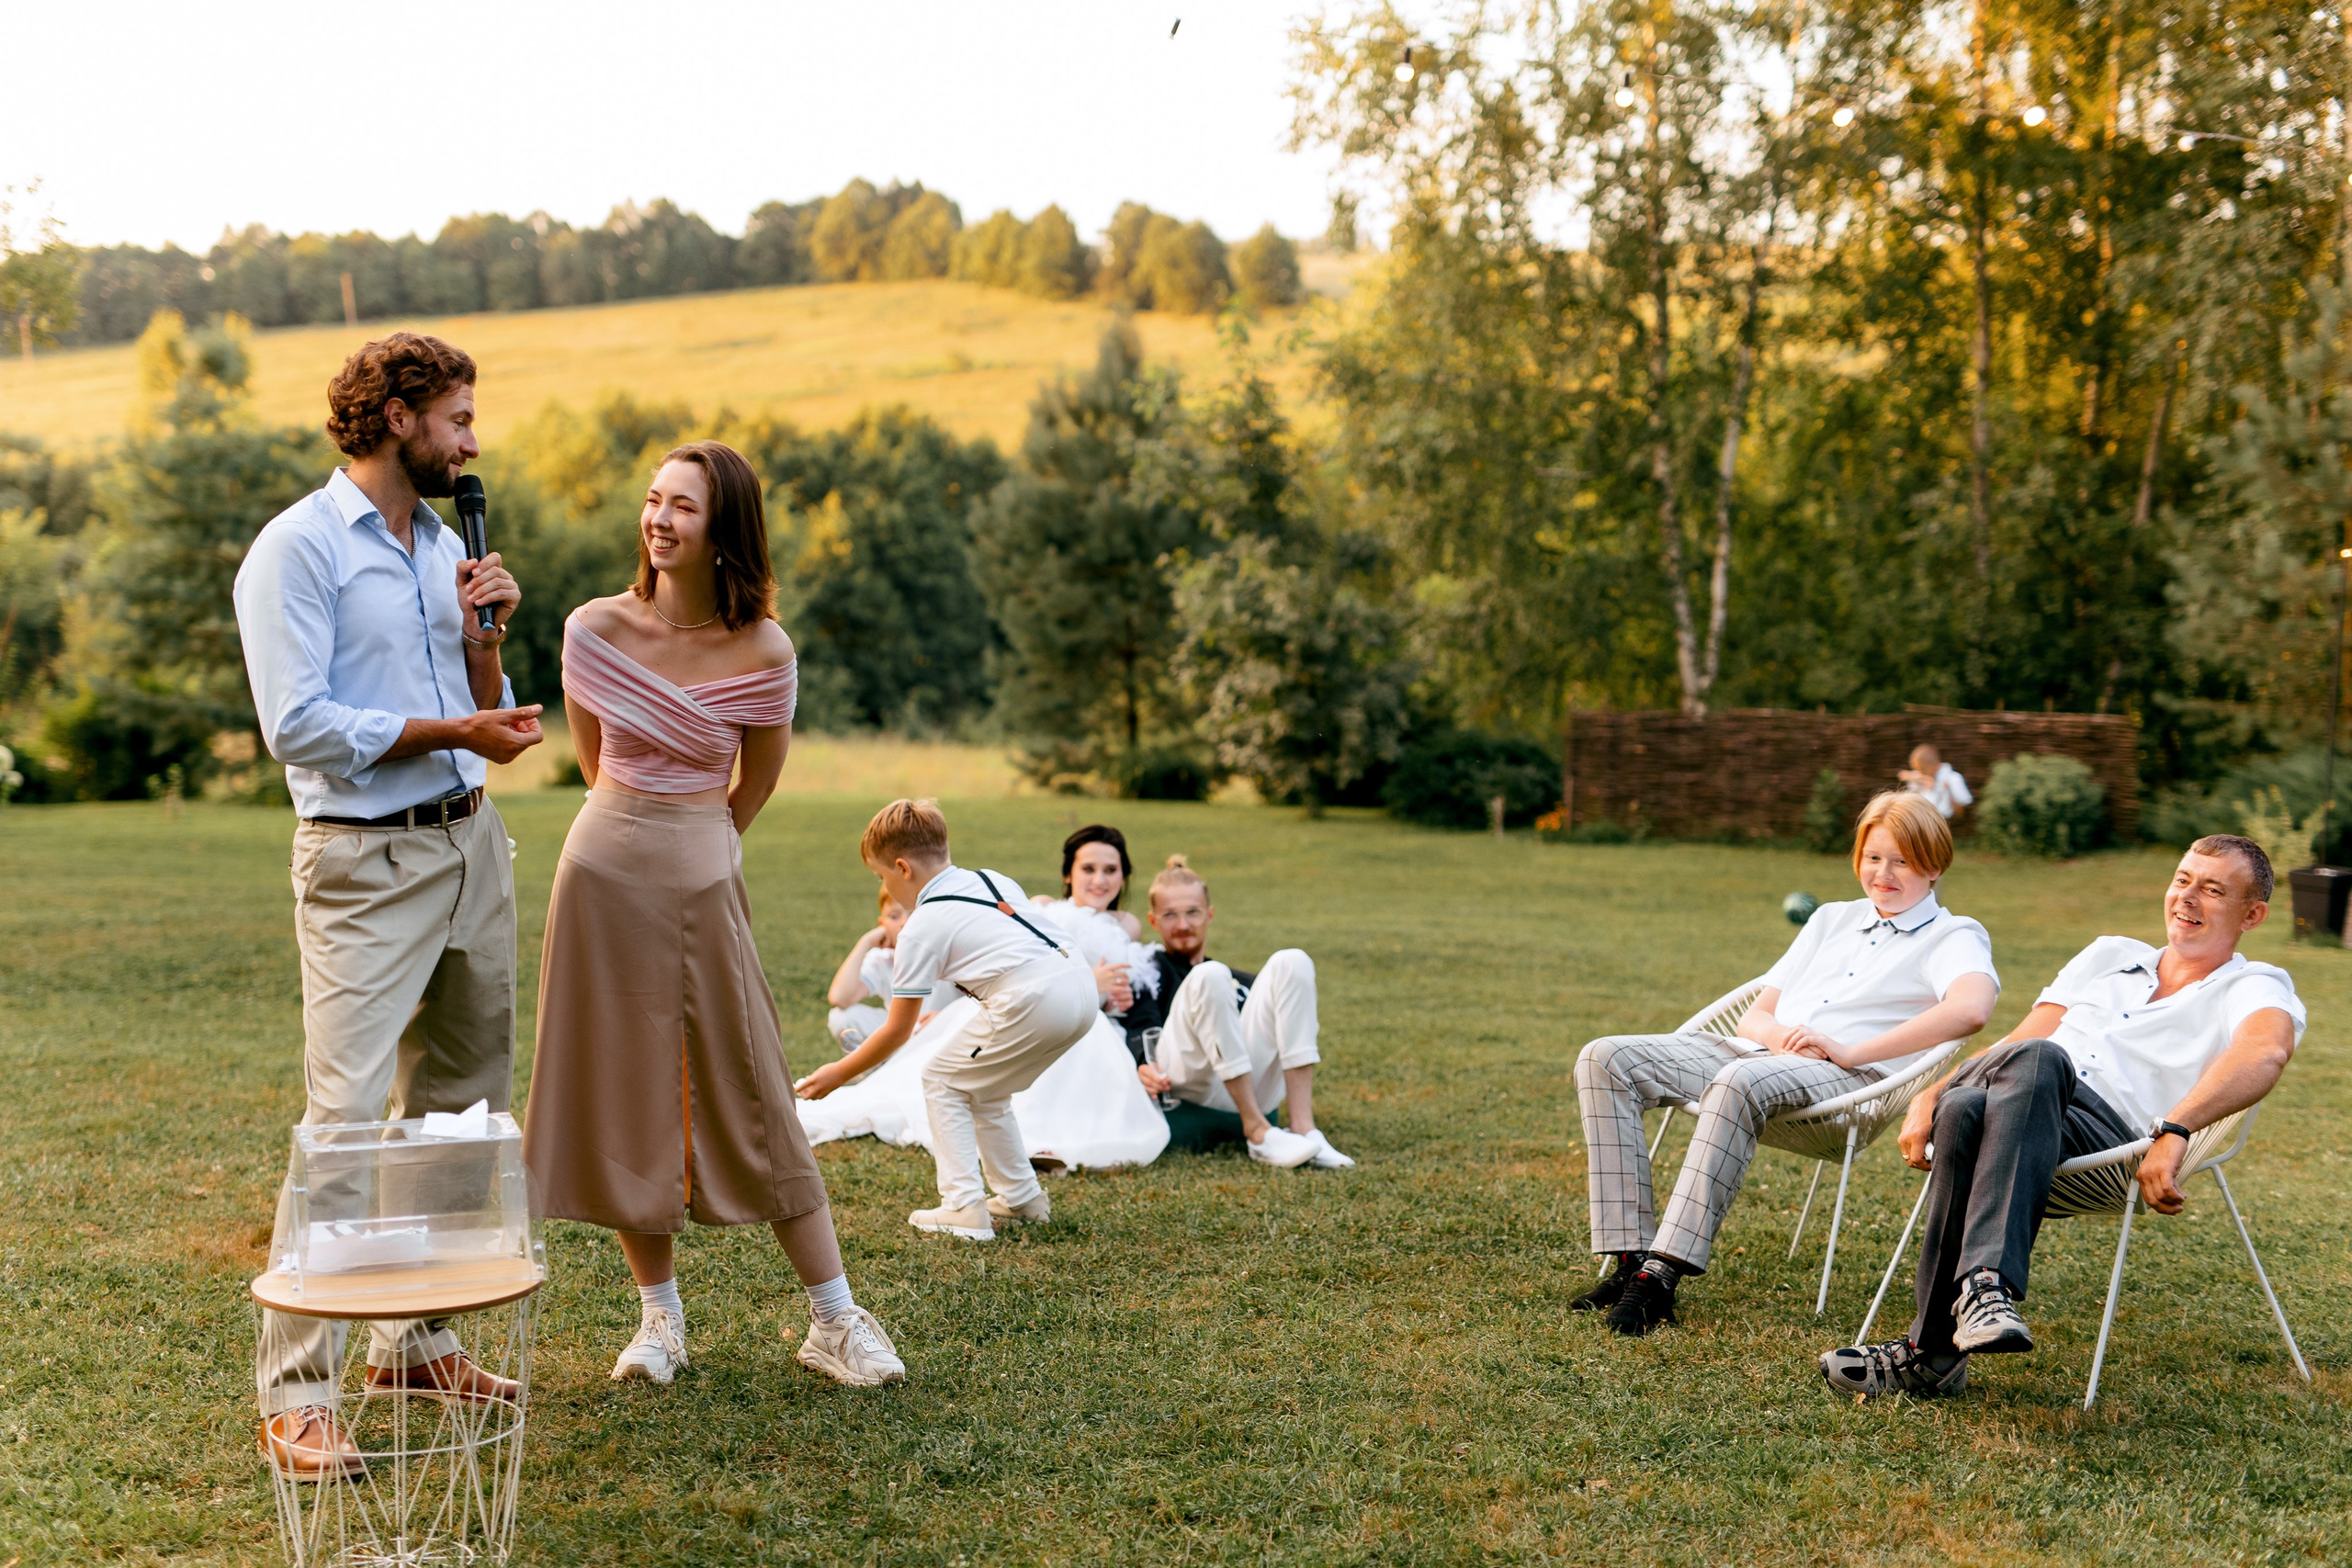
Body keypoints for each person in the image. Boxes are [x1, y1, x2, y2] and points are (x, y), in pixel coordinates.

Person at [522, 440, 902, 1391]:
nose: (658, 519)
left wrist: (696, 847)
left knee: (754, 1089)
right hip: (599, 881)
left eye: (681, 506)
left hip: (703, 878)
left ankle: (834, 1319)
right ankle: (660, 1322)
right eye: (652, 500)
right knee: (624, 1092)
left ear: (722, 525)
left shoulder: (764, 647)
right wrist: (643, 835)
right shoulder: (592, 629)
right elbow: (594, 762)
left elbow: (754, 780)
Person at [233, 333, 546, 1480]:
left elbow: (488, 710)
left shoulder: (441, 545)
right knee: (349, 1121)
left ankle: (417, 1344)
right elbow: (300, 726)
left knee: (458, 1109)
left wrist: (484, 647)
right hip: (363, 867)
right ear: (398, 415)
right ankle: (298, 1391)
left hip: (471, 847)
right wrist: (452, 732)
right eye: (458, 418)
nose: (472, 440)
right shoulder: (297, 550)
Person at [1819, 834, 2303, 1398]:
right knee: (1967, 1103)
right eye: (2181, 880)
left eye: (2212, 889)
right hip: (2016, 1103)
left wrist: (2175, 1128)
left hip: (2108, 1139)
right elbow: (2022, 1039)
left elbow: (2263, 1052)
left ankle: (1947, 1328)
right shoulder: (2108, 954)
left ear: (2253, 914)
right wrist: (1932, 1092)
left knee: (2036, 1064)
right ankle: (1952, 1333)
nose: (2187, 898)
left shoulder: (2253, 984)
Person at [1572, 792, 1999, 1337]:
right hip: (1761, 1056)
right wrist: (1780, 1037)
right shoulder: (1831, 920)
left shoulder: (1953, 935)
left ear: (1934, 865)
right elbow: (1756, 1017)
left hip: (1846, 1082)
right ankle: (1631, 1260)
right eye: (1872, 858)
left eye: (1902, 861)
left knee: (1738, 1079)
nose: (1882, 874)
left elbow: (1972, 1008)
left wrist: (1850, 1051)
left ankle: (1660, 1274)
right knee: (1606, 1057)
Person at [796, 799, 1102, 1241]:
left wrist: (839, 1073)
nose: (884, 885)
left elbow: (898, 1029)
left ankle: (963, 1207)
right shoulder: (991, 878)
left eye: (881, 876)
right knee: (986, 1089)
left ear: (902, 868)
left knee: (942, 1080)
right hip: (1080, 989)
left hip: (1031, 997)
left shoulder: (922, 924)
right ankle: (1022, 1198)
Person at [792, 825, 1170, 1175]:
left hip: (1062, 1015)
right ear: (1069, 873)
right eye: (1088, 868)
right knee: (973, 1085)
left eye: (1110, 870)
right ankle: (1019, 1192)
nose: (1099, 880)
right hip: (1032, 1006)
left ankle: (966, 1202)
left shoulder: (1125, 925)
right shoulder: (1028, 900)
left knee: (949, 1083)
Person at [1118, 855, 1354, 1169]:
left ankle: (1304, 1127)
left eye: (1193, 913)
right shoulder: (1149, 971)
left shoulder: (1241, 981)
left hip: (1248, 1084)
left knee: (1292, 961)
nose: (1183, 925)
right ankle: (1257, 1131)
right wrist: (1143, 1062)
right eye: (1170, 915)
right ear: (1153, 921)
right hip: (1185, 1081)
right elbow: (1140, 1027)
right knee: (1209, 975)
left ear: (1210, 915)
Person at [1897, 743, 1973, 821]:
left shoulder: (1954, 779)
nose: (1920, 773)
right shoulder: (1918, 780)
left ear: (1936, 764)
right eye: (1917, 769)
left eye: (1923, 769)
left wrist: (1948, 793)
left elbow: (1962, 813)